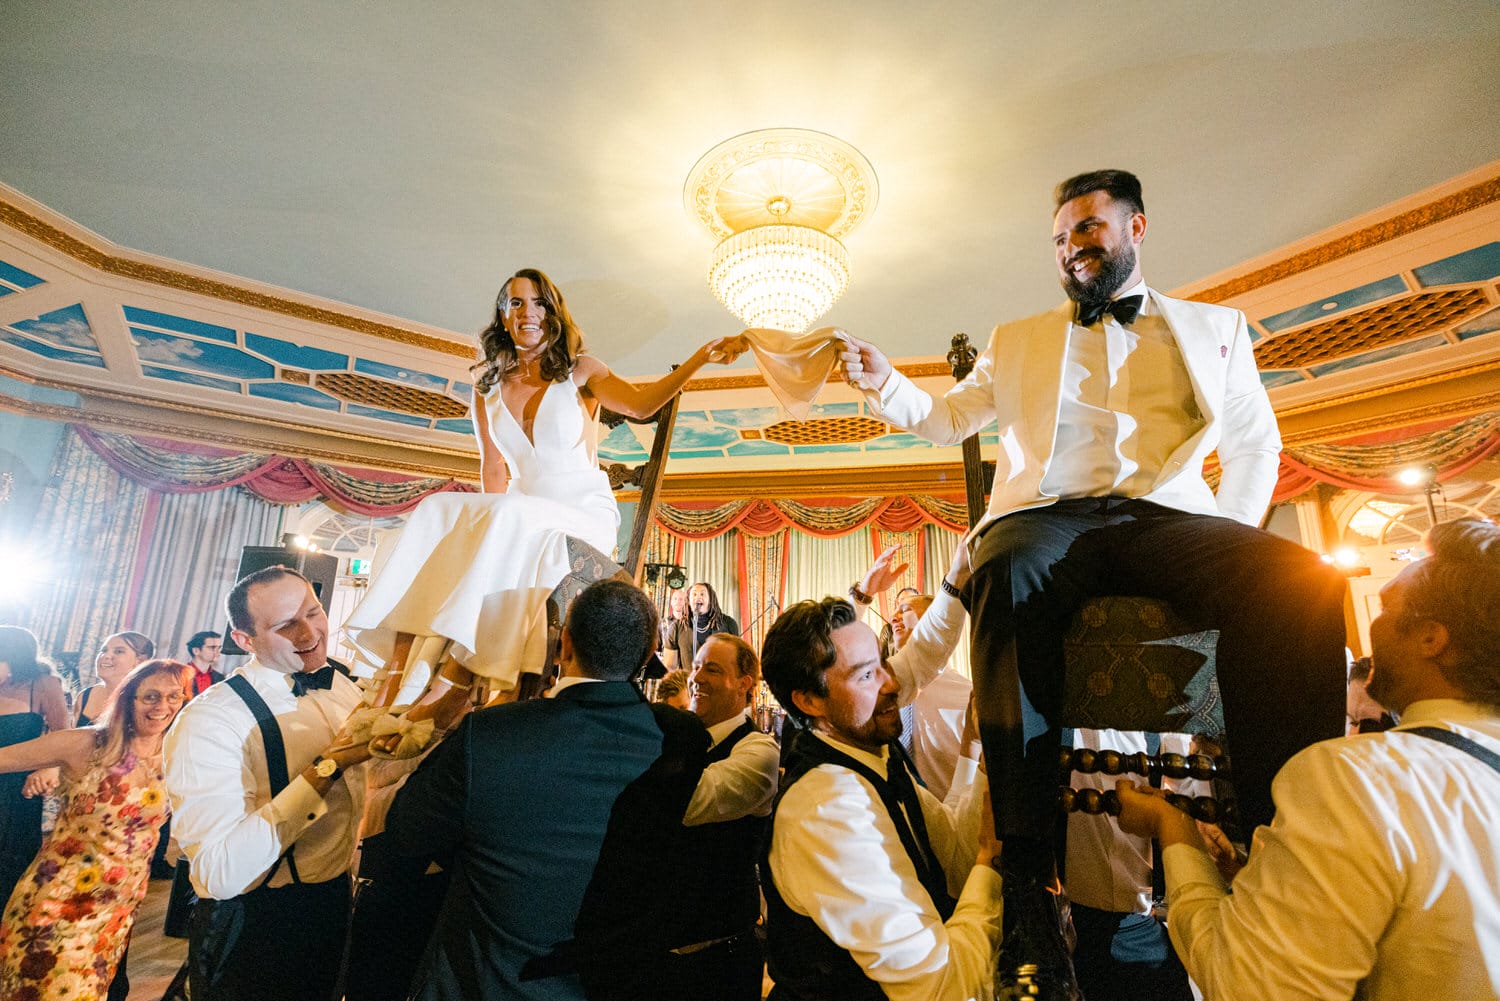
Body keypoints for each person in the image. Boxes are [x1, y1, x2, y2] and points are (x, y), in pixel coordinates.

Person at [837, 168, 1349, 997]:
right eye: (1060, 237)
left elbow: (1257, 443)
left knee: (1300, 575)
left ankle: (1282, 838)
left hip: (1172, 517)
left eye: (1087, 228)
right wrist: (885, 380)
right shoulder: (1018, 337)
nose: (1072, 247)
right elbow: (946, 419)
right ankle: (1030, 885)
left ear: (1136, 228)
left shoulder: (1216, 327)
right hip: (1055, 515)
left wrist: (1233, 532)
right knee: (1001, 562)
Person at [1116, 517, 1500, 1000]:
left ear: (1430, 638)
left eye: (1385, 605)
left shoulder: (1359, 778)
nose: (1372, 624)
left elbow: (1248, 987)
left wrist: (1173, 832)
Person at [345, 268, 746, 693]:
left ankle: (454, 679)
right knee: (436, 508)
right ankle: (399, 675)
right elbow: (493, 468)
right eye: (515, 303)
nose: (527, 312)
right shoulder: (486, 389)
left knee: (509, 516)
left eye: (538, 302)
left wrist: (700, 358)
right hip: (521, 507)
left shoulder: (580, 371)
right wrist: (484, 528)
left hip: (582, 510)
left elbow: (643, 406)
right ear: (502, 315)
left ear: (553, 314)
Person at [385, 579, 708, 1001]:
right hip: (610, 984)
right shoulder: (681, 740)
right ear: (649, 654)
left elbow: (405, 834)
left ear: (565, 644)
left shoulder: (489, 733)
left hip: (488, 983)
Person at [760, 551, 1003, 1001]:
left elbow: (952, 854)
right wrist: (992, 861)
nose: (892, 683)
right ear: (809, 702)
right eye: (866, 674)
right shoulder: (829, 806)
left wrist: (981, 755)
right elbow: (942, 986)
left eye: (882, 662)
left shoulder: (872, 755)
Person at [164, 566, 373, 1001]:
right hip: (254, 920)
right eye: (285, 626)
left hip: (333, 900)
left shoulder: (344, 689)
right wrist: (325, 768)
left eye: (314, 613)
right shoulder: (212, 719)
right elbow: (219, 874)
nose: (309, 633)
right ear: (244, 641)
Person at [0, 658, 189, 1000]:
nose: (163, 706)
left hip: (116, 912)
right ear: (128, 699)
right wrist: (52, 772)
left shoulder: (173, 755)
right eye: (151, 696)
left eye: (174, 696)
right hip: (59, 905)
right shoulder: (87, 744)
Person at [659, 632, 780, 1000]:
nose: (696, 678)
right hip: (654, 950)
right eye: (695, 666)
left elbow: (687, 804)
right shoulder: (675, 737)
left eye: (711, 669)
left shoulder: (759, 751)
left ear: (744, 684)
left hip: (718, 956)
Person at [0, 626, 70, 908]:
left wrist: (48, 769)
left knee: (9, 861)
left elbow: (62, 735)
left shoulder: (44, 684)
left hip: (16, 789)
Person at [75, 631, 155, 726]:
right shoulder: (84, 696)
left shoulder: (148, 702)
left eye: (118, 651)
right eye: (104, 650)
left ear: (140, 661)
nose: (106, 656)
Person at [666, 582, 740, 669]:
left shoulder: (728, 624)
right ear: (688, 601)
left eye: (702, 594)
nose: (698, 597)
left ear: (710, 600)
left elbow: (736, 661)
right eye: (694, 594)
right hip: (688, 681)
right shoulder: (676, 627)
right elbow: (670, 666)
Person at [185, 630, 225, 696]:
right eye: (212, 647)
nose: (218, 652)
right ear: (196, 651)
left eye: (219, 648)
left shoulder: (220, 678)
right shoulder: (179, 674)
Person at [659, 588, 690, 669]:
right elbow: (657, 648)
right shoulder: (662, 624)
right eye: (675, 599)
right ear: (671, 602)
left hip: (686, 670)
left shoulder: (691, 624)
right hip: (668, 670)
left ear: (686, 602)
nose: (678, 601)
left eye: (681, 599)